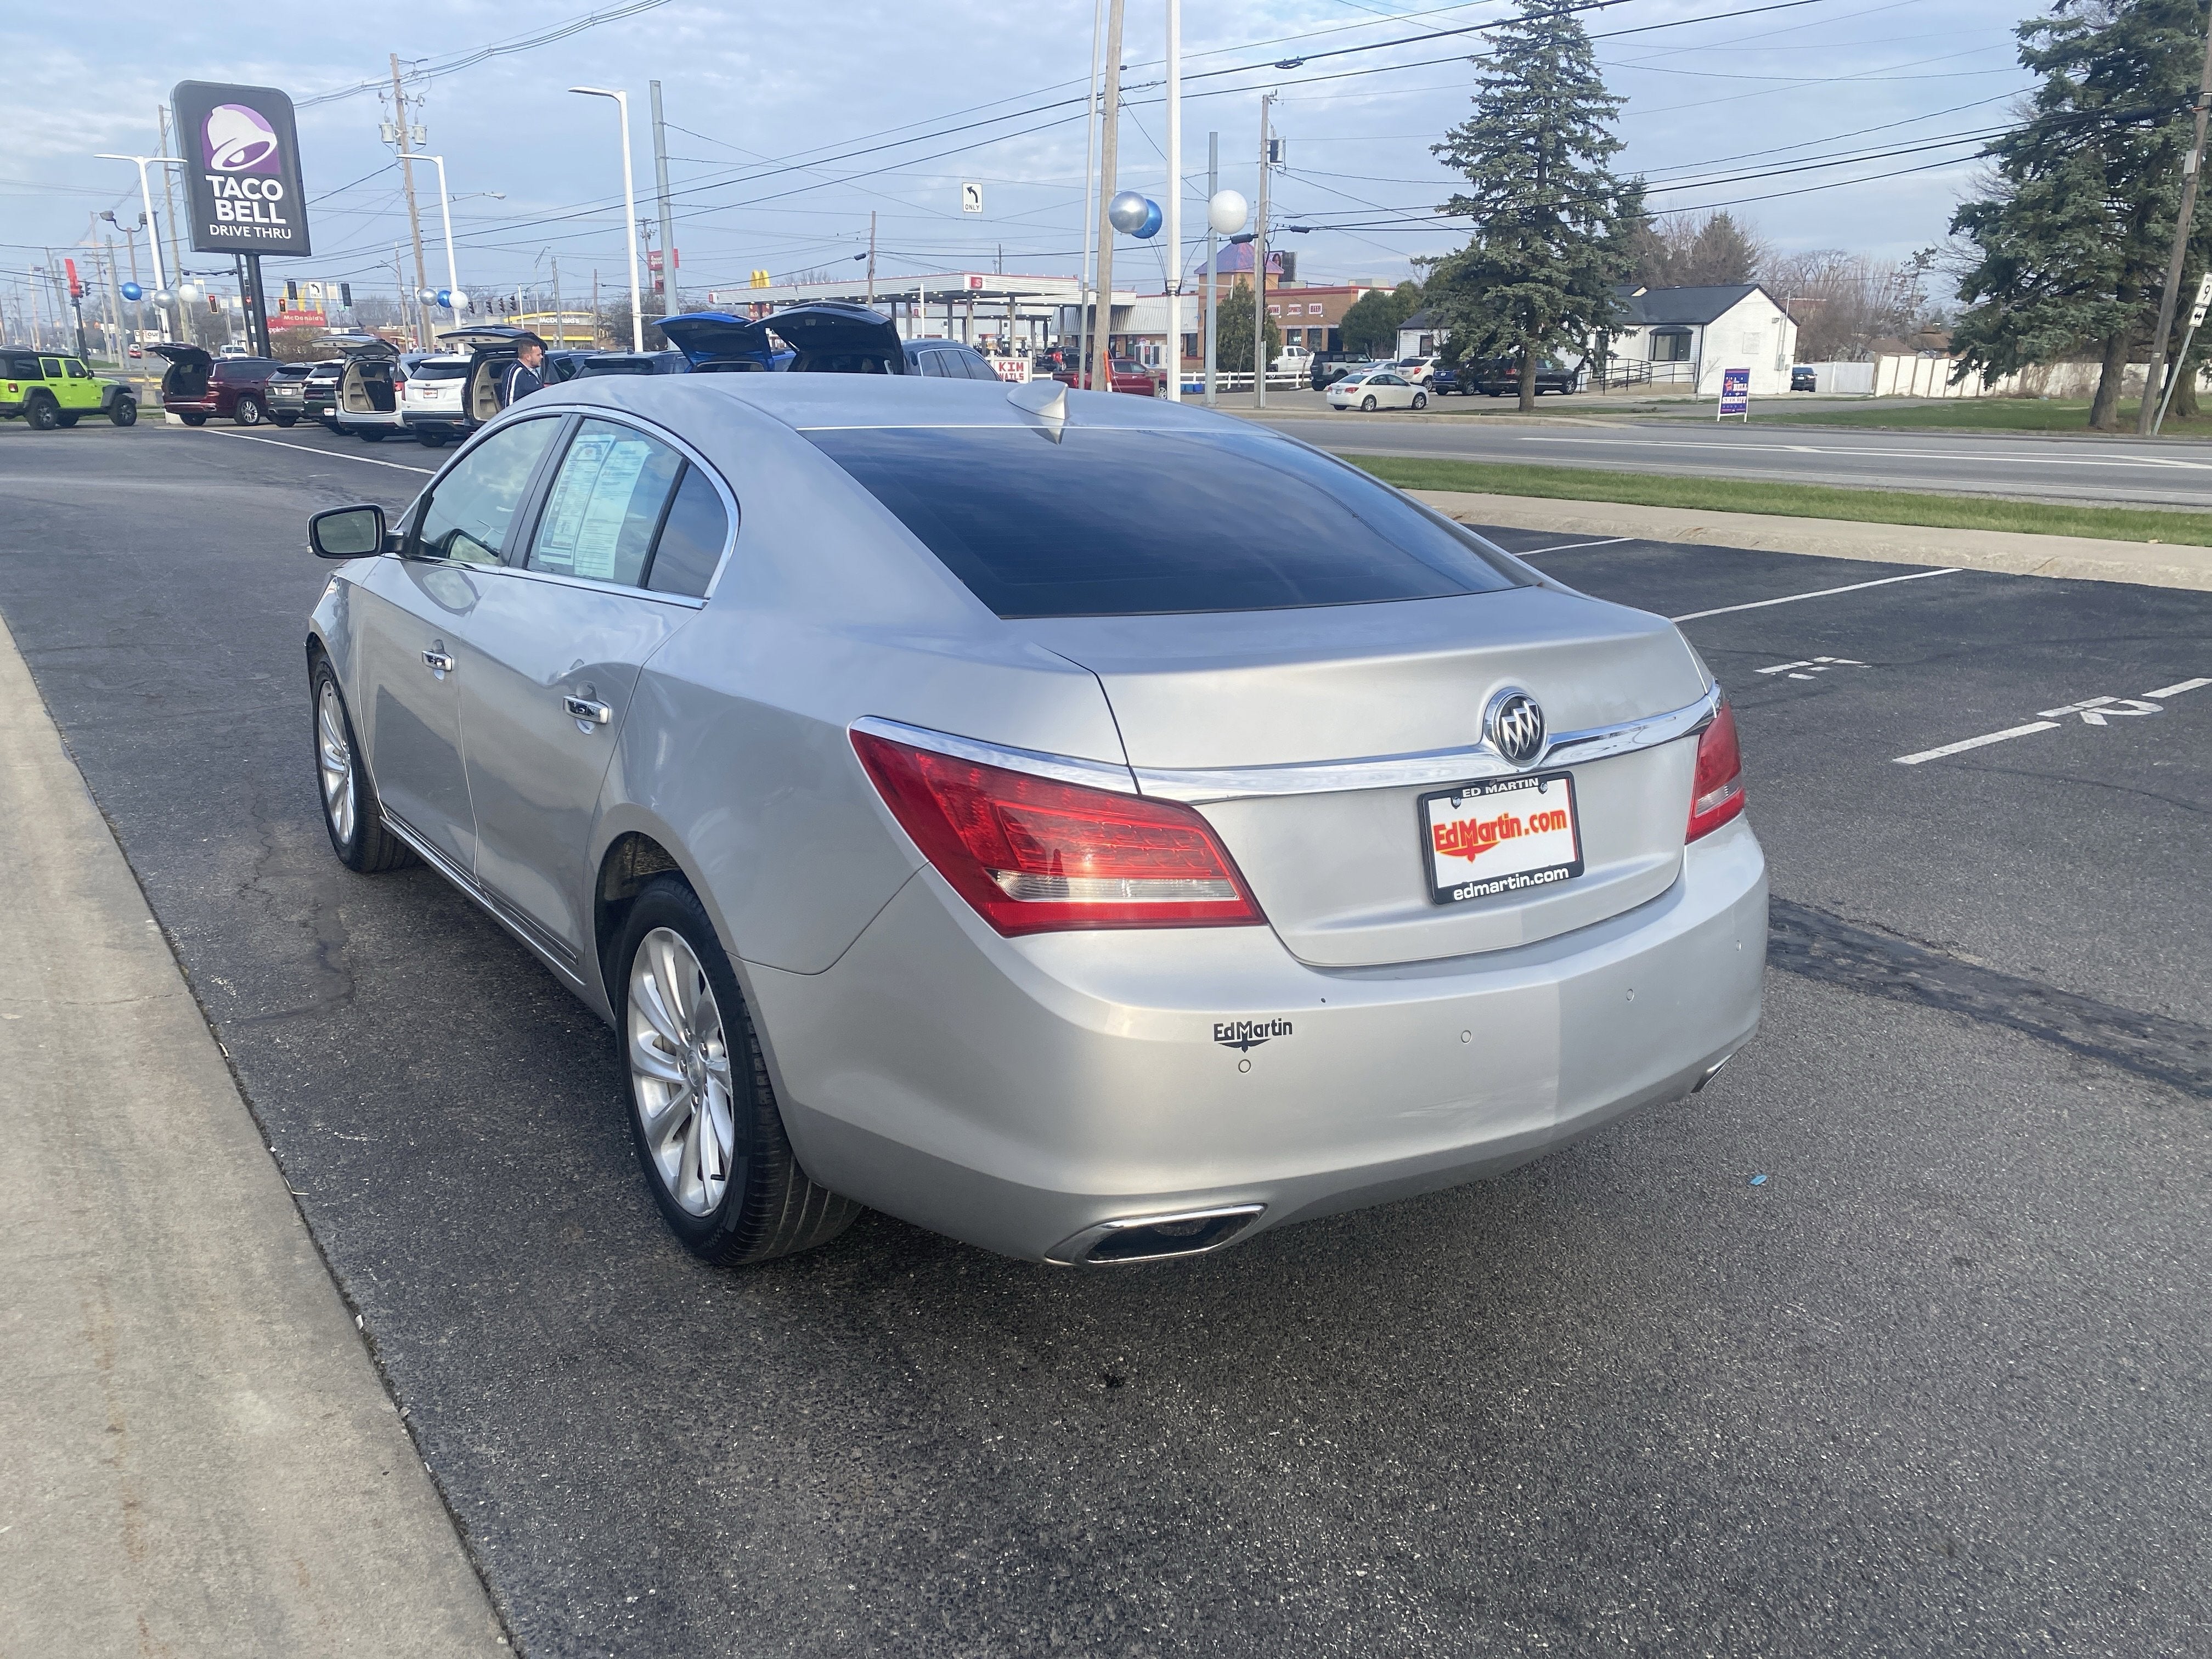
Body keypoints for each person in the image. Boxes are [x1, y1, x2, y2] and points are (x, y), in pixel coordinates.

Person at [500, 334, 550, 406]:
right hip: (524, 415)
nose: (542, 357)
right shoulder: (515, 372)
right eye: (538, 355)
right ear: (528, 357)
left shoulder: (534, 372)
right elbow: (509, 402)